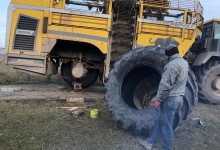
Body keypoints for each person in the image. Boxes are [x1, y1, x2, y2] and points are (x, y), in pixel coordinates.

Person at [139, 44, 189, 150]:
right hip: (179, 98)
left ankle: (166, 148)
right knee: (161, 121)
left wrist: (158, 100)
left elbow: (165, 85)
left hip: (170, 99)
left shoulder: (171, 65)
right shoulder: (184, 63)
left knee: (167, 126)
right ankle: (149, 142)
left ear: (169, 55)